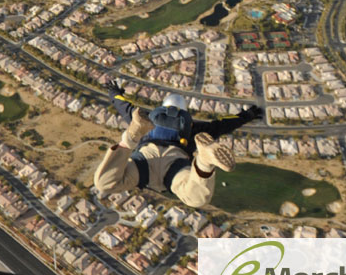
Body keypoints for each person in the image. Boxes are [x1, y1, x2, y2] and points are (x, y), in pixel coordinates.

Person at [93, 83, 262, 208]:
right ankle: (203, 162)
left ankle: (130, 137)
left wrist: (114, 92)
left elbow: (122, 104)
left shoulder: (145, 119)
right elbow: (224, 124)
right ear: (185, 112)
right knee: (196, 198)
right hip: (172, 166)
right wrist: (248, 115)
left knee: (104, 184)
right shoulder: (194, 128)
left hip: (145, 160)